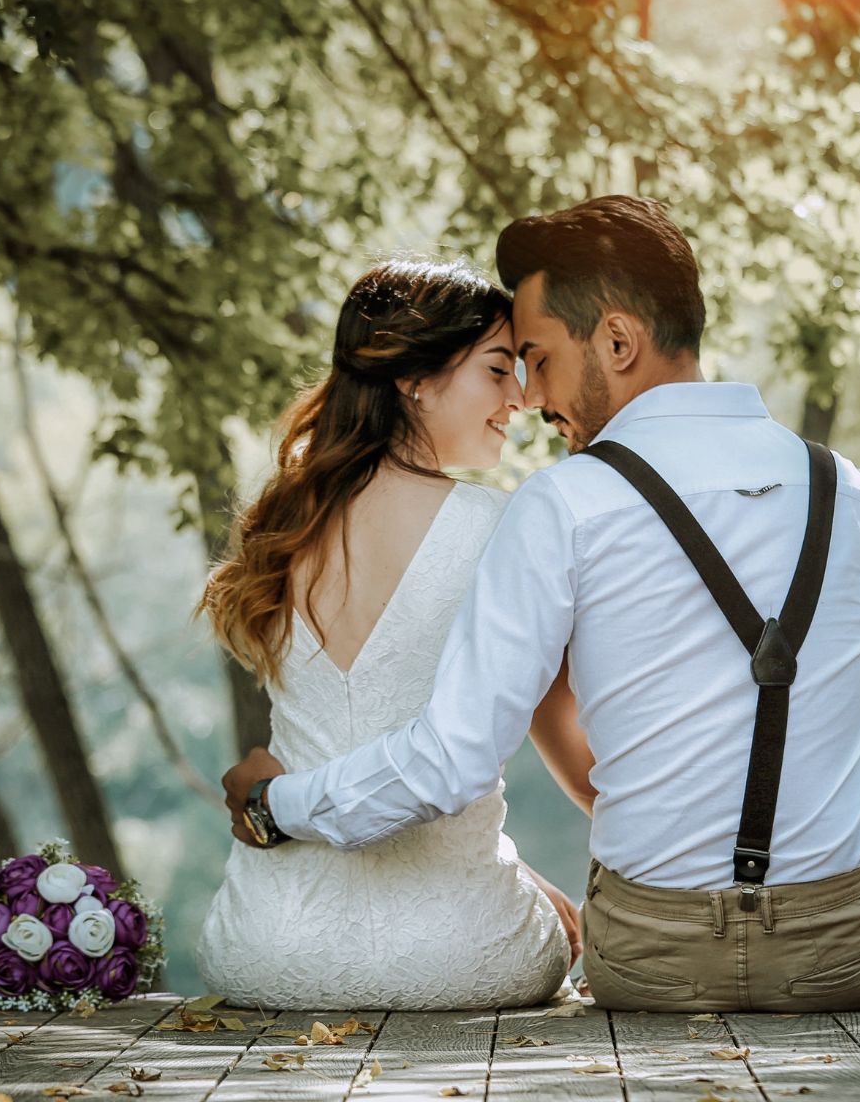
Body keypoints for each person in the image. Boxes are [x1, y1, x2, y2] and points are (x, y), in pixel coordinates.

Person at [222, 196, 860, 1011]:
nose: (531, 395)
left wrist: (279, 803)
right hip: (845, 956)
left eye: (538, 358)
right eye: (509, 365)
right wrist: (813, 763)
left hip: (645, 962)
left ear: (618, 341)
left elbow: (453, 758)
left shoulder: (559, 506)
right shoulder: (848, 491)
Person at [195, 258, 586, 1010]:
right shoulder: (501, 526)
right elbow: (551, 757)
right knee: (553, 934)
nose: (521, 398)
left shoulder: (281, 527)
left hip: (266, 949)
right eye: (498, 369)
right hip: (461, 953)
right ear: (414, 378)